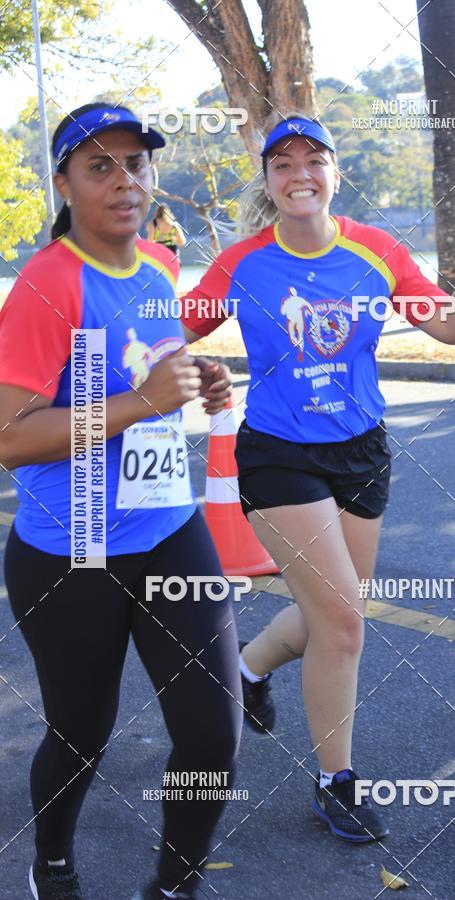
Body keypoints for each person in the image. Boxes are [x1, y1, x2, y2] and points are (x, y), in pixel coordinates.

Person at [180, 114, 455, 842]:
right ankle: (336, 783)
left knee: (334, 611)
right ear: (268, 181)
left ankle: (245, 670)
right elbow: (165, 335)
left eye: (314, 159)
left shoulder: (378, 250)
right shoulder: (241, 264)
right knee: (342, 622)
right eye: (283, 163)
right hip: (279, 455)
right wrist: (167, 359)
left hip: (362, 451)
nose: (299, 173)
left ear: (334, 174)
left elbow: (452, 330)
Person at [0, 103, 241, 900]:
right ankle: (52, 863)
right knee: (80, 733)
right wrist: (141, 402)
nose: (124, 181)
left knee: (212, 733)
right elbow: (9, 437)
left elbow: (149, 365)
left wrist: (195, 379)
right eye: (99, 166)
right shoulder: (47, 283)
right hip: (74, 548)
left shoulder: (160, 266)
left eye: (136, 163)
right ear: (64, 184)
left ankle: (174, 886)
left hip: (170, 528)